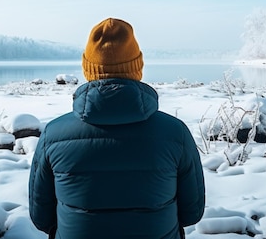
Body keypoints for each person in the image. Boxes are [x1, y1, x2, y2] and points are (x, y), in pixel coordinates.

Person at [29, 18, 205, 239]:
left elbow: (41, 217)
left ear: (88, 70)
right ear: (137, 68)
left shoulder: (53, 135)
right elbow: (192, 213)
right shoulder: (175, 133)